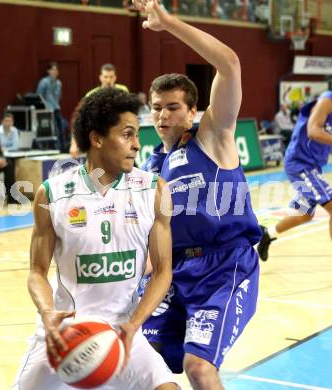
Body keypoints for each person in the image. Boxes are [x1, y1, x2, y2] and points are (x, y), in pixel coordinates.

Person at [12, 88, 178, 390]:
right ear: (97, 138)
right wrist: (48, 314)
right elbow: (37, 272)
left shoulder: (154, 190)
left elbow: (163, 270)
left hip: (121, 327)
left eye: (137, 135)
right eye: (127, 135)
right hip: (66, 333)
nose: (137, 144)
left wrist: (134, 323)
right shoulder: (51, 194)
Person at [133, 1, 262, 389]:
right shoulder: (152, 165)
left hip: (224, 267)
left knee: (199, 368)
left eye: (173, 107)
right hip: (174, 272)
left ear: (192, 111)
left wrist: (169, 23)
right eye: (157, 108)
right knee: (139, 359)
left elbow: (231, 65)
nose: (163, 116)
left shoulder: (212, 134)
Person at [258, 92, 332, 261]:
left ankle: (267, 235)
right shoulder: (328, 100)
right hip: (300, 163)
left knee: (305, 214)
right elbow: (313, 131)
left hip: (313, 166)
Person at [37, 62, 66, 152]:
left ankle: (63, 148)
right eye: (53, 69)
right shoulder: (44, 82)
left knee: (61, 127)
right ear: (48, 71)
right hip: (48, 109)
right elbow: (39, 95)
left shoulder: (58, 83)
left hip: (56, 107)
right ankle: (56, 148)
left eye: (56, 70)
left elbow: (59, 96)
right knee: (54, 129)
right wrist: (44, 106)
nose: (55, 71)